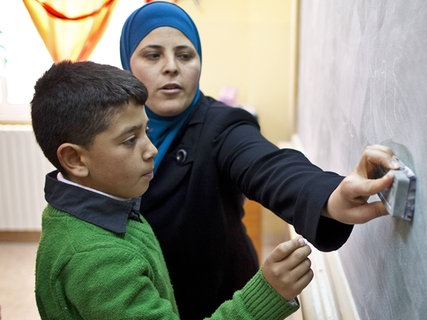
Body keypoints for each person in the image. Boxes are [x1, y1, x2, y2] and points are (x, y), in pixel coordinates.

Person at [119, 2, 399, 319]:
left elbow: (265, 164)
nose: (171, 67)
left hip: (217, 298)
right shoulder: (111, 132)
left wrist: (329, 195)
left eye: (185, 55)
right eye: (153, 55)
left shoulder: (220, 125)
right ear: (127, 64)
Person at [31, 60, 314, 320]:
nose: (151, 149)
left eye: (147, 132)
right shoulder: (96, 261)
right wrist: (267, 293)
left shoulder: (102, 204)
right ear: (75, 159)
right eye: (130, 140)